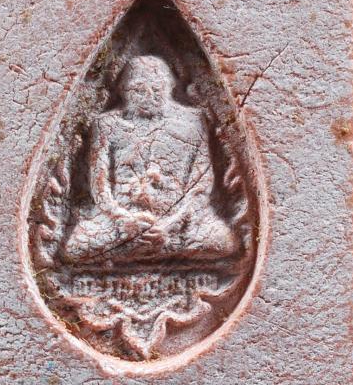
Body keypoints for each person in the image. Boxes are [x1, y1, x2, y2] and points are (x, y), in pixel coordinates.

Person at [63, 55, 235, 264]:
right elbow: (99, 186)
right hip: (120, 220)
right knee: (75, 247)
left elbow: (201, 185)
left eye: (157, 89)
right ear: (123, 91)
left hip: (181, 219)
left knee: (223, 242)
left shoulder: (193, 122)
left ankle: (142, 247)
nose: (149, 96)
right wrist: (123, 219)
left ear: (170, 87)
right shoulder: (106, 124)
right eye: (138, 90)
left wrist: (169, 226)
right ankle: (152, 247)